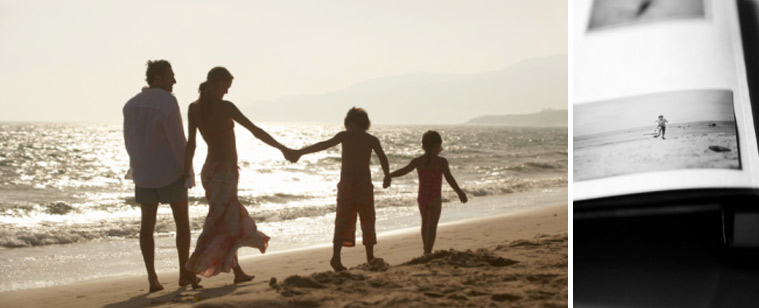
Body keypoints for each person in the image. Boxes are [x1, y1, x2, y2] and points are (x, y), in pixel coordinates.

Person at [183, 66, 297, 283]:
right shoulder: (225, 107)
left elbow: (191, 145)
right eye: (226, 86)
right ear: (217, 82)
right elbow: (255, 130)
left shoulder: (193, 108)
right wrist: (282, 148)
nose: (227, 91)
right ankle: (190, 268)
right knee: (217, 222)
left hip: (210, 172)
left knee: (230, 220)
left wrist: (186, 171)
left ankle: (238, 272)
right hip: (224, 173)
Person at [123, 59, 201, 292]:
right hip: (169, 171)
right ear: (158, 77)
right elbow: (177, 140)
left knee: (147, 226)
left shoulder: (130, 105)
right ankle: (184, 273)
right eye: (170, 76)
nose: (174, 80)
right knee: (182, 224)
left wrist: (136, 166)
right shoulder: (168, 102)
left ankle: (152, 279)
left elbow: (129, 141)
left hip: (144, 173)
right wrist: (187, 171)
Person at [293, 107, 390, 271]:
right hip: (364, 185)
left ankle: (336, 257)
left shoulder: (344, 136)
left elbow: (323, 145)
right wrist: (387, 175)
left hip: (347, 185)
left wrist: (301, 152)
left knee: (342, 220)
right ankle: (370, 256)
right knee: (367, 219)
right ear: (365, 123)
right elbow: (382, 158)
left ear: (349, 122)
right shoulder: (371, 139)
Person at [384, 130, 468, 255]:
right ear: (436, 145)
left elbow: (404, 170)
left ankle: (425, 249)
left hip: (422, 197)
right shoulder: (441, 162)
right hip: (435, 197)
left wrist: (389, 175)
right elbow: (449, 179)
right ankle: (428, 251)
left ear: (423, 146)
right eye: (440, 145)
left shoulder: (418, 161)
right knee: (432, 226)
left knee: (424, 223)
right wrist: (460, 192)